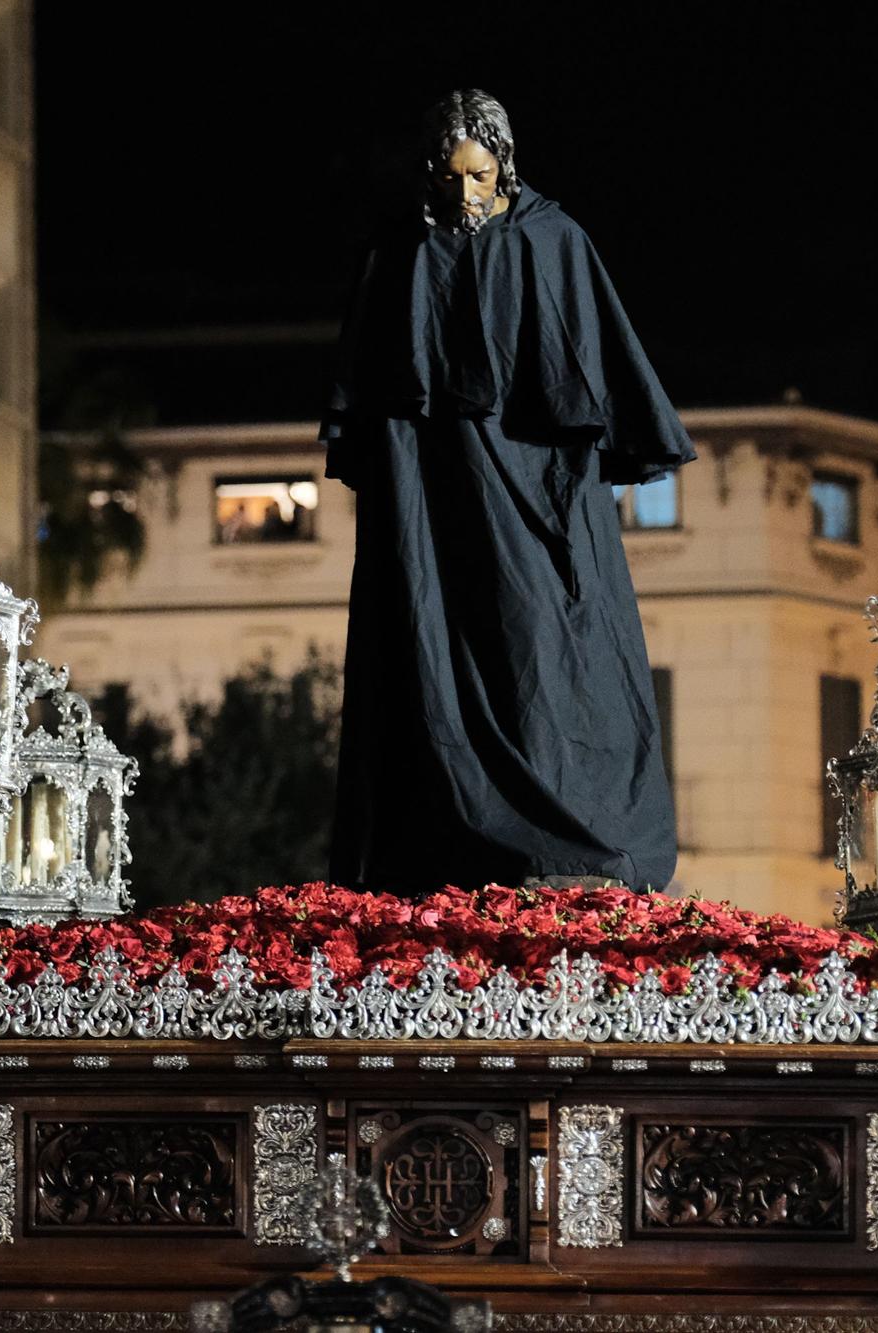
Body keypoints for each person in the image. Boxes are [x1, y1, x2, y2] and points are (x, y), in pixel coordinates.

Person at [321, 90, 694, 895]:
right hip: (433, 510)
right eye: (451, 177)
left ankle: (569, 840)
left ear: (506, 167)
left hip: (541, 501)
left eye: (480, 175)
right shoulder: (400, 251)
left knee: (545, 648)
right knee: (431, 649)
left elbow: (590, 383)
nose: (466, 194)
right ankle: (441, 840)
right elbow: (376, 399)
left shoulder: (556, 243)